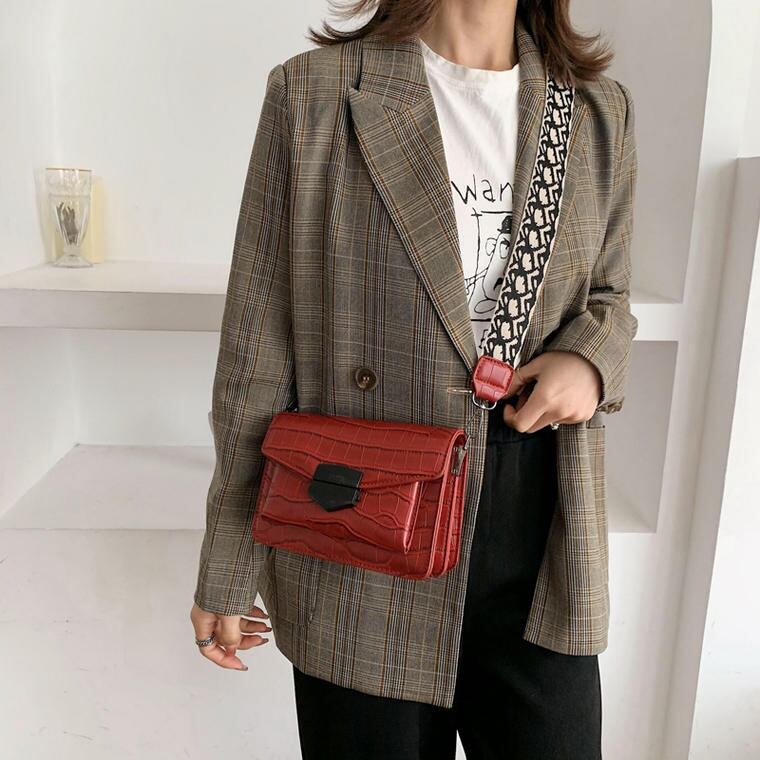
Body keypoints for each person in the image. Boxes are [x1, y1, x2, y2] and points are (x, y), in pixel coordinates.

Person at [190, 0, 638, 757]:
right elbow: (256, 348)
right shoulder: (315, 92)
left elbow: (610, 296)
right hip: (362, 524)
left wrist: (590, 362)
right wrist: (228, 561)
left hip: (540, 525)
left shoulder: (596, 109)